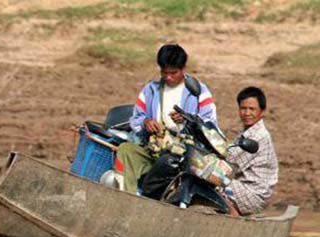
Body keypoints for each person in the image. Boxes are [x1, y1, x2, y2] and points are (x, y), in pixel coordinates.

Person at [116, 44, 217, 193]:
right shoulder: (150, 90)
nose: (168, 77)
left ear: (184, 69)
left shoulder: (199, 91)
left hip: (185, 154)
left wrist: (187, 120)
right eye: (164, 73)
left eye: (173, 73)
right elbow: (136, 118)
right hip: (154, 148)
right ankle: (127, 197)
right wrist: (146, 122)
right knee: (126, 150)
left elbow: (210, 123)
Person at [224, 86, 278, 215]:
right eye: (243, 108)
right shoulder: (248, 132)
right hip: (247, 189)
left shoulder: (257, 136)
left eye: (252, 109)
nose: (247, 113)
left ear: (262, 111)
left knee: (213, 181)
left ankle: (234, 218)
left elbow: (229, 162)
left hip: (253, 194)